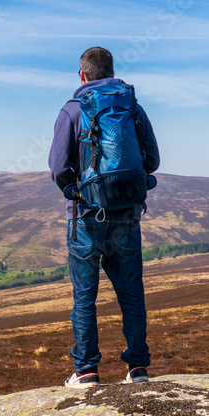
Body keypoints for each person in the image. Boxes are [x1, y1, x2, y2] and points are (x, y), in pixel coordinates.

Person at [48, 46, 160, 388]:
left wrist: (77, 191)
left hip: (84, 218)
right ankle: (137, 370)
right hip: (127, 217)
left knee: (85, 298)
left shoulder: (71, 111)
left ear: (82, 75)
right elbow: (152, 161)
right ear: (111, 71)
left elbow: (57, 168)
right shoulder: (132, 108)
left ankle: (86, 372)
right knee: (132, 296)